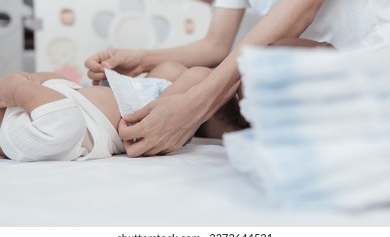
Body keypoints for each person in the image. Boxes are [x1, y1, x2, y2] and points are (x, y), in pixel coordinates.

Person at [85, 0, 390, 157]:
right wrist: (141, 59)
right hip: (289, 72)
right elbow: (215, 44)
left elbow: (302, 7)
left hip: (365, 64)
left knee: (258, 70)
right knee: (185, 74)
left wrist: (195, 104)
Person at [0, 62, 245, 161]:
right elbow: (65, 122)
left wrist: (33, 78)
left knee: (168, 68)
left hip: (131, 95)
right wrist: (19, 89)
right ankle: (231, 128)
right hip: (143, 122)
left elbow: (57, 84)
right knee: (199, 76)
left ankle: (218, 120)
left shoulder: (14, 110)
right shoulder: (13, 139)